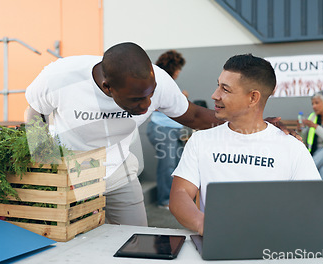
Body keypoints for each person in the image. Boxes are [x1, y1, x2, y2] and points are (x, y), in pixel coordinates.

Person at [25, 42, 291, 227]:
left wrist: (253, 123)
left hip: (118, 171)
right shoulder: (60, 78)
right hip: (70, 172)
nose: (147, 105)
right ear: (107, 87)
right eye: (137, 100)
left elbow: (195, 116)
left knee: (136, 240)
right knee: (74, 242)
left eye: (151, 95)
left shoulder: (158, 81)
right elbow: (33, 112)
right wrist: (48, 168)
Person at [169, 54, 321, 235]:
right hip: (216, 245)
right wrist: (204, 224)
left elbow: (313, 205)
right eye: (218, 85)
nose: (215, 95)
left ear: (253, 98)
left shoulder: (292, 147)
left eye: (225, 89)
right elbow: (180, 194)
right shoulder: (200, 140)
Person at [146, 50, 188, 209]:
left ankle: (174, 200)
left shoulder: (168, 82)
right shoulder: (158, 82)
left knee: (176, 166)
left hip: (173, 129)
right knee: (168, 165)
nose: (179, 72)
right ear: (173, 68)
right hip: (162, 129)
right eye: (178, 68)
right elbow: (154, 105)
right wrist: (181, 97)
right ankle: (164, 201)